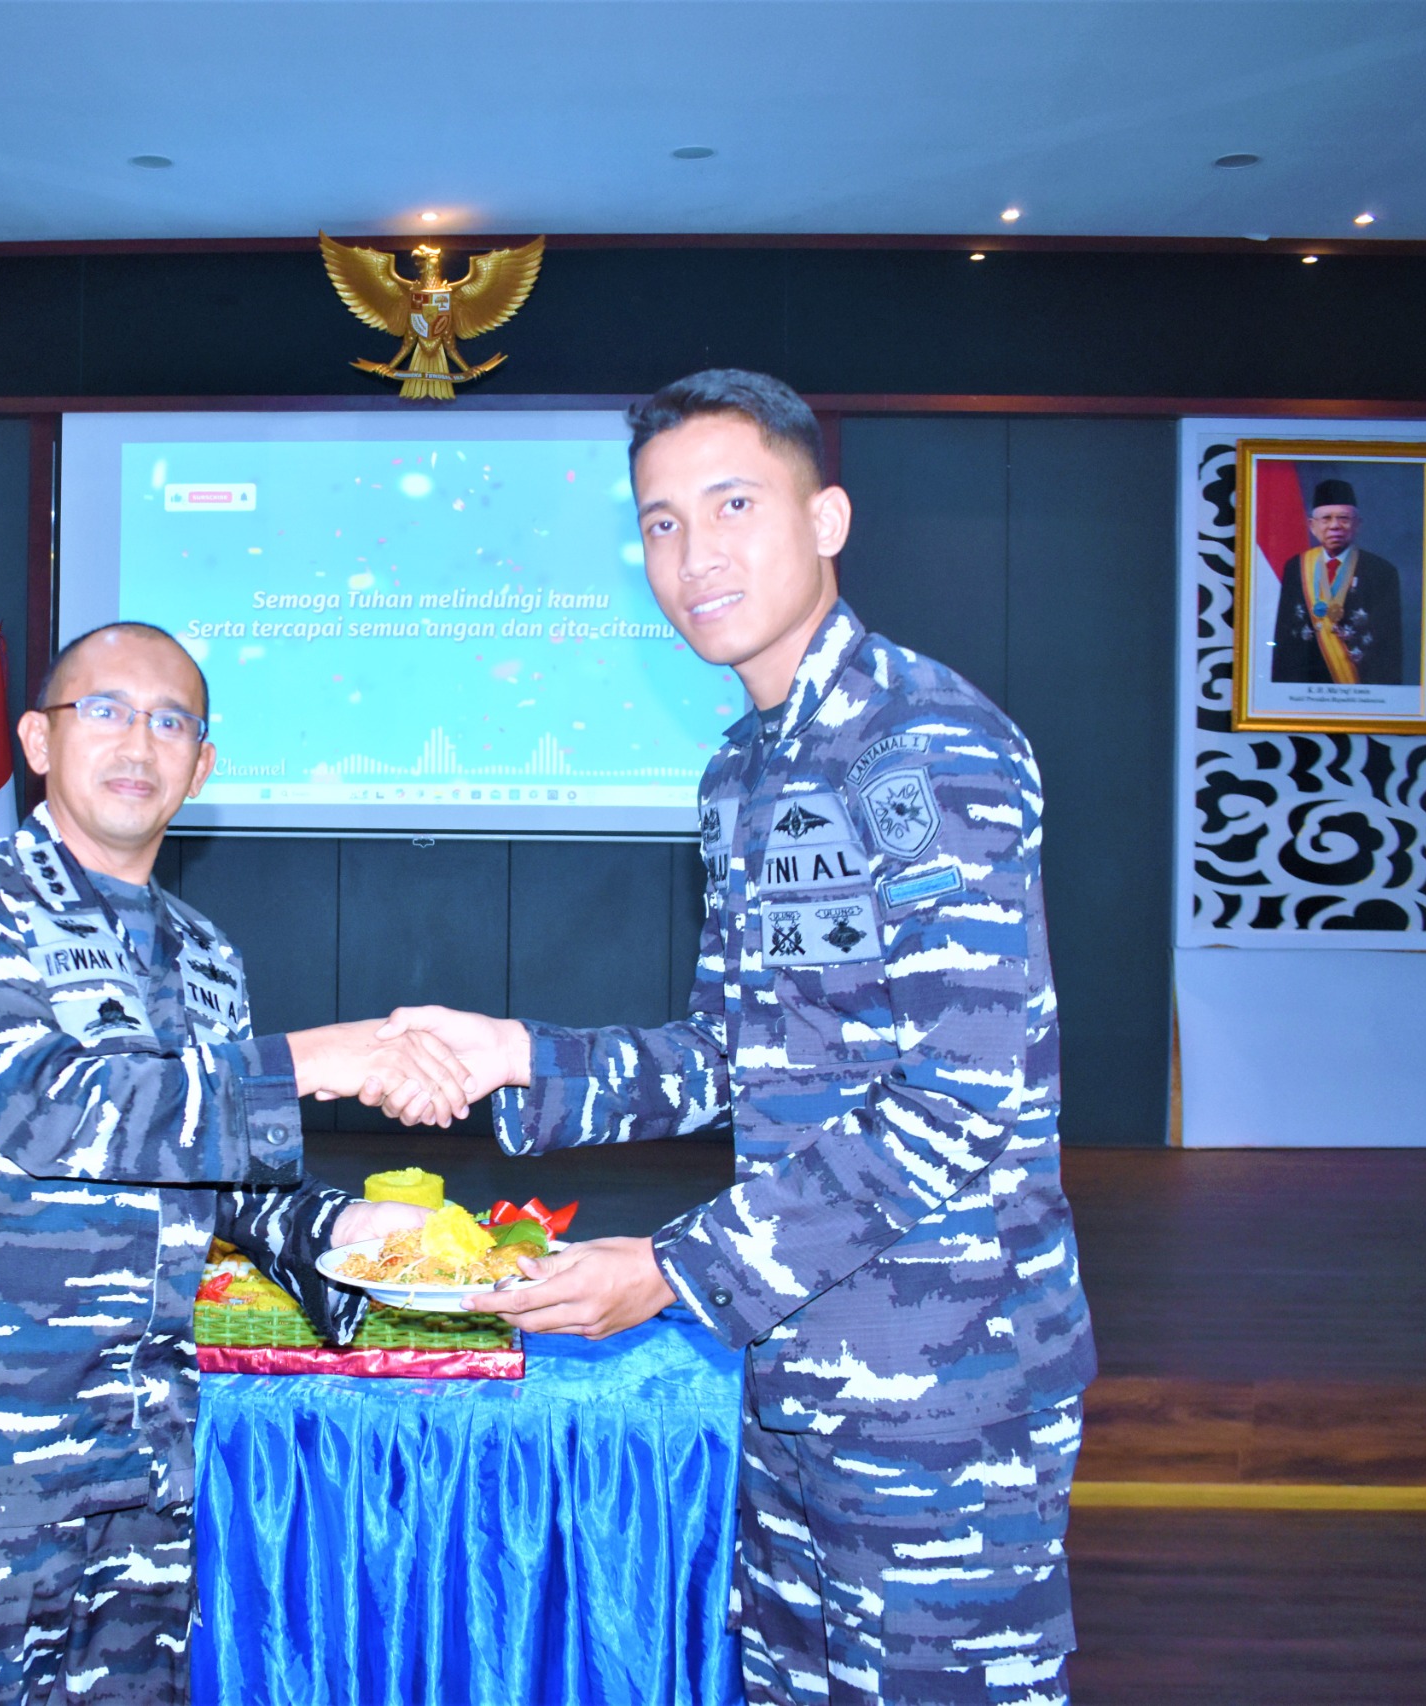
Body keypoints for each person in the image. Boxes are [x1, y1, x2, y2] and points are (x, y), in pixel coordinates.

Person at [381, 372, 1095, 1706]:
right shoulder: (745, 771)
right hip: (797, 1360)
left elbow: (964, 1094)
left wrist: (673, 1269)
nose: (693, 554)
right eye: (659, 524)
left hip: (944, 1385)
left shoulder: (922, 744)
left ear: (826, 519)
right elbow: (733, 1051)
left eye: (731, 505)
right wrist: (520, 1056)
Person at [0, 620, 455, 1706]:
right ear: (39, 740)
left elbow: (217, 1175)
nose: (139, 741)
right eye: (106, 710)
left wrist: (341, 1231)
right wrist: (318, 1059)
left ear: (202, 765)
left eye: (172, 721)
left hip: (143, 1455)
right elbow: (54, 1111)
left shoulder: (205, 954)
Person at [1269, 476, 1409, 685]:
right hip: (1305, 683)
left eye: (1344, 518)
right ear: (1312, 525)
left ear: (1357, 524)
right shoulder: (1295, 567)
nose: (1334, 526)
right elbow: (1285, 637)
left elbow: (1389, 646)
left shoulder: (1381, 571)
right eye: (1326, 519)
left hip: (1360, 684)